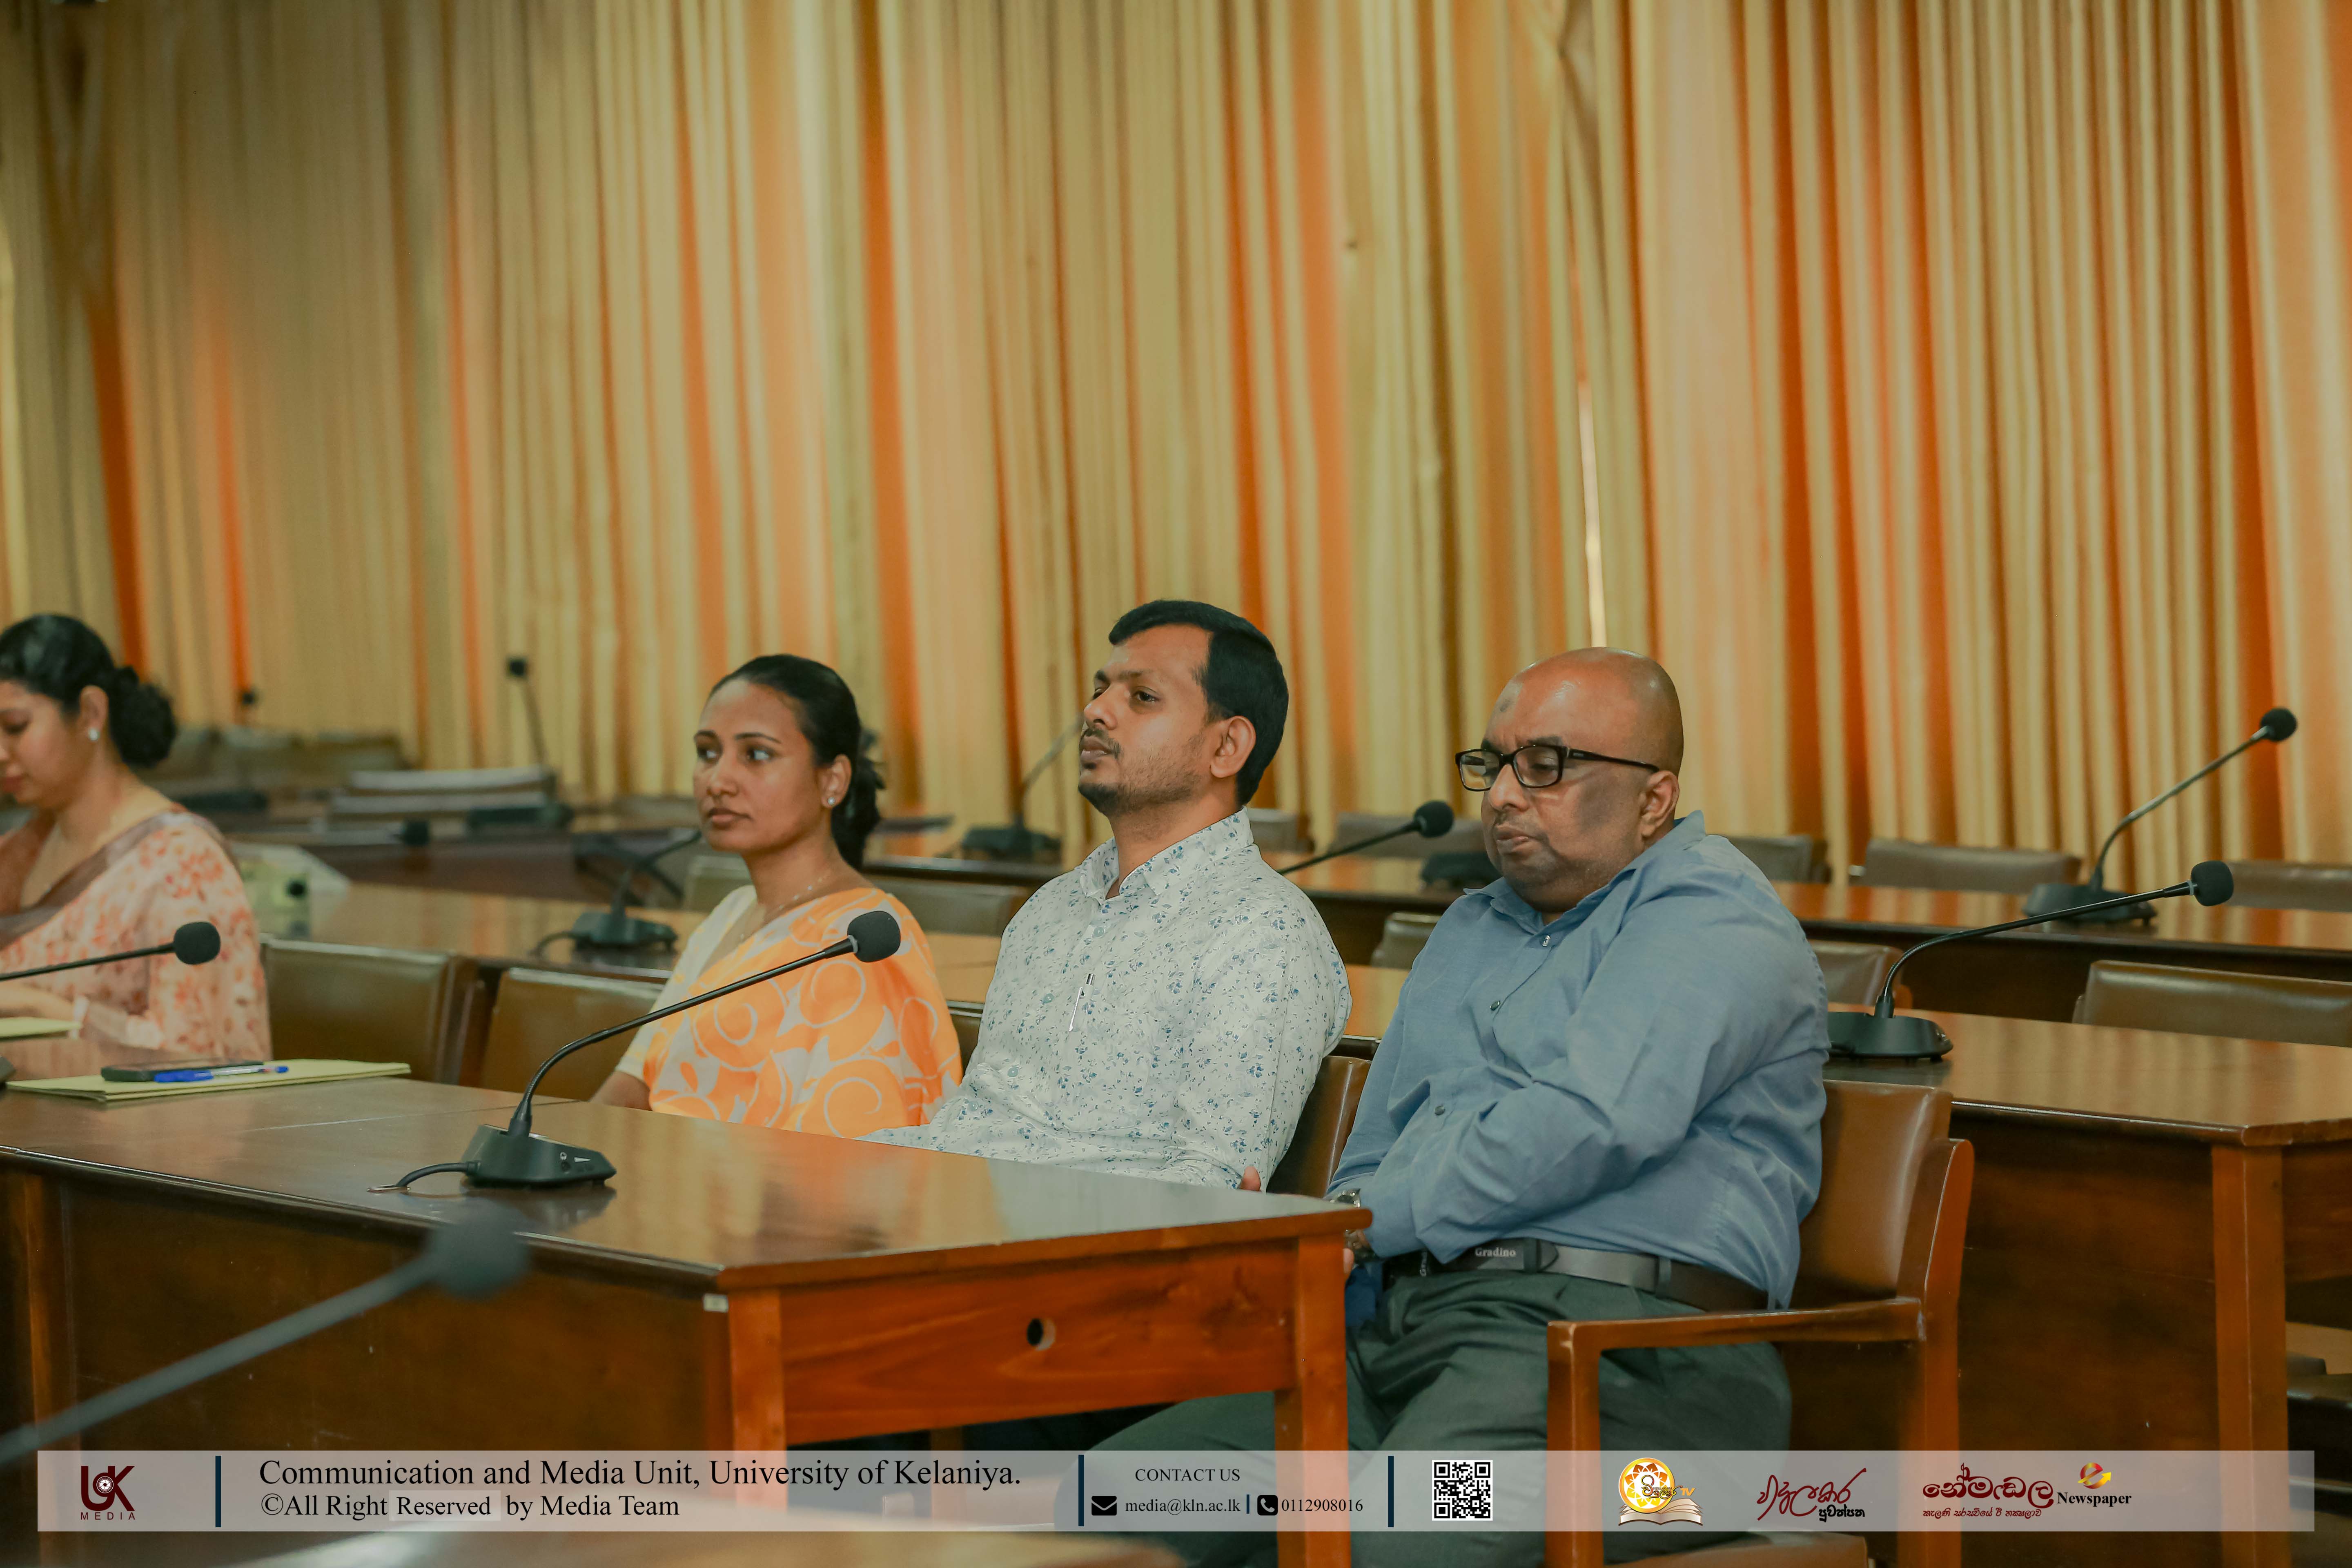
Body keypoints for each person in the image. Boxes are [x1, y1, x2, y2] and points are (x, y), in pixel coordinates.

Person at [1098, 648, 1829, 1567]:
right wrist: (1337, 1227)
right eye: (1494, 764)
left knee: (1383, 1549)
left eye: (1548, 766)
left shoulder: (1711, 917)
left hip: (1621, 1364)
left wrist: (1361, 1223)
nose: (1506, 796)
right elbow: (1377, 1150)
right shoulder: (1471, 927)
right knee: (1096, 1514)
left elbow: (1591, 1121)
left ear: (1655, 799)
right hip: (1399, 1340)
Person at [868, 600, 1349, 1188]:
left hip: (1074, 1233)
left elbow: (1211, 1182)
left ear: (1227, 747)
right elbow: (972, 1122)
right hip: (954, 1196)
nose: (1095, 711)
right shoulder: (1049, 908)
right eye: (1101, 690)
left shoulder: (1264, 933)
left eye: (1142, 697)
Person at [592, 655, 959, 1135]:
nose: (718, 782)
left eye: (757, 755)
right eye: (707, 753)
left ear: (833, 781)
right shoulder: (732, 911)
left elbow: (847, 1150)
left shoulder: (863, 941)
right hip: (659, 1167)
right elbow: (635, 1082)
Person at [0, 614, 268, 1076]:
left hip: (138, 1121)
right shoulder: (19, 849)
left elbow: (201, 1054)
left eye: (16, 726)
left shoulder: (182, 862)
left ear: (91, 713)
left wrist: (41, 1009)